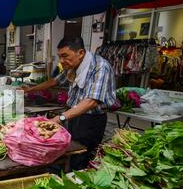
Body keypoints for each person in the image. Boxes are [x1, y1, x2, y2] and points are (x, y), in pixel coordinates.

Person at [23, 37, 116, 171]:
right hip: (73, 116)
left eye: (65, 56)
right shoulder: (72, 66)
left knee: (81, 157)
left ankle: (77, 183)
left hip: (91, 121)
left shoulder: (100, 67)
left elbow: (91, 101)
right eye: (59, 56)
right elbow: (54, 81)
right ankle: (64, 177)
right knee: (68, 151)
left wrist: (60, 117)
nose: (61, 61)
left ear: (81, 53)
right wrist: (30, 89)